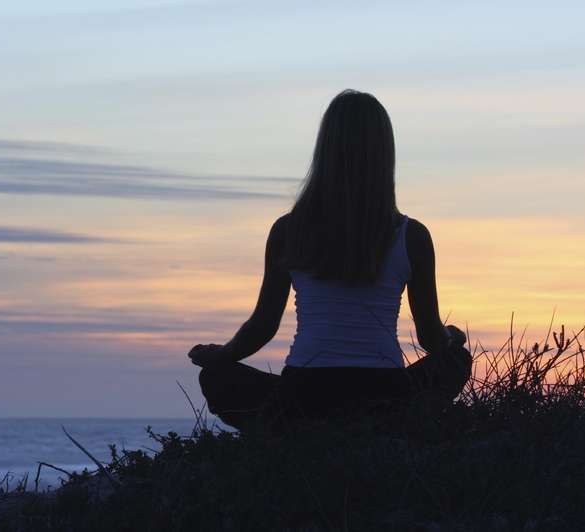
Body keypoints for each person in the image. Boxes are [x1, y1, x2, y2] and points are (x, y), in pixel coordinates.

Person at [187, 89, 472, 431]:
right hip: (385, 399)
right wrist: (452, 338)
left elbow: (262, 328)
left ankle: (291, 435)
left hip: (301, 398)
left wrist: (219, 357)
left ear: (325, 150)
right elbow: (431, 338)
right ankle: (377, 432)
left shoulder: (287, 230)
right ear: (385, 155)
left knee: (217, 378)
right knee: (456, 361)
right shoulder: (412, 236)